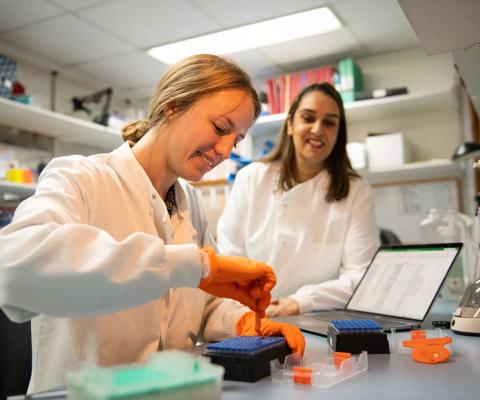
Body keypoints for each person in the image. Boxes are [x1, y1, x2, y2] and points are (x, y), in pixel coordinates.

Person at [0, 54, 304, 393]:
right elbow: (15, 267)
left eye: (236, 139)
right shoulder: (81, 178)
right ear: (172, 107)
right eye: (220, 128)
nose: (225, 150)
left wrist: (242, 321)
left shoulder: (190, 203)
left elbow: (203, 302)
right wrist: (193, 264)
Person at [217, 82, 380, 317]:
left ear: (338, 134)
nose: (317, 129)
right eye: (308, 118)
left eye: (329, 122)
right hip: (249, 315)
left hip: (316, 318)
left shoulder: (356, 192)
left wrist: (300, 301)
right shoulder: (250, 179)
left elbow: (361, 276)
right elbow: (229, 255)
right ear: (291, 124)